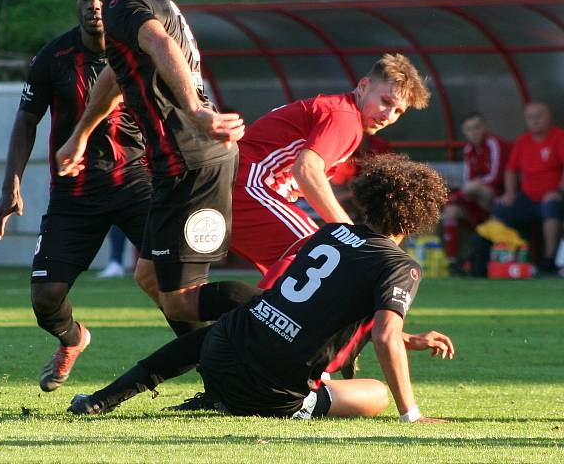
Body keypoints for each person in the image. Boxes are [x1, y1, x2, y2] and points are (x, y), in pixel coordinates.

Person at [68, 154, 453, 423]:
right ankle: (247, 401)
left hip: (221, 357)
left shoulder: (332, 233)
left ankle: (104, 399)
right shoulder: (400, 266)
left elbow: (324, 309)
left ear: (367, 201)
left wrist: (409, 338)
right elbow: (382, 335)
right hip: (268, 394)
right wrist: (412, 414)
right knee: (374, 396)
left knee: (238, 319)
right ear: (420, 218)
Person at [57, 0, 256, 326]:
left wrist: (198, 112)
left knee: (183, 299)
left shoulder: (124, 4)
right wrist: (80, 134)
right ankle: (218, 372)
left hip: (191, 160)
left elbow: (160, 43)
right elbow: (116, 74)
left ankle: (297, 318)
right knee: (149, 278)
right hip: (180, 162)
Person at [0, 0, 153, 392]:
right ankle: (73, 339)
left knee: (174, 284)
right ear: (76, 4)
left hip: (135, 182)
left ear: (113, 6)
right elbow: (26, 121)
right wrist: (11, 185)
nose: (94, 5)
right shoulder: (53, 58)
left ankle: (214, 370)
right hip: (74, 192)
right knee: (45, 297)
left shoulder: (139, 51)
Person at [228, 54, 430, 290]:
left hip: (238, 187)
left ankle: (250, 319)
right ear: (364, 86)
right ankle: (253, 322)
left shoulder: (342, 114)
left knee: (183, 296)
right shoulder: (346, 119)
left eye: (398, 112)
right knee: (321, 254)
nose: (388, 116)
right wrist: (348, 231)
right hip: (248, 186)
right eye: (386, 101)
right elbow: (306, 169)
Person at [493, 102, 564, 275]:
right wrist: (509, 193)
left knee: (551, 206)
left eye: (539, 116)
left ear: (549, 118)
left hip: (552, 198)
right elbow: (510, 170)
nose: (535, 120)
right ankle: (511, 255)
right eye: (530, 117)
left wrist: (559, 191)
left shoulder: (559, 137)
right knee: (501, 208)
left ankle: (549, 260)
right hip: (527, 198)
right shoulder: (523, 141)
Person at [442, 112, 509, 273]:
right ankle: (453, 261)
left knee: (472, 189)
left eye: (477, 127)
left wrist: (475, 185)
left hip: (497, 196)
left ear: (484, 127)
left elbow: (496, 176)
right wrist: (471, 187)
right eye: (469, 129)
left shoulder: (493, 143)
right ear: (464, 132)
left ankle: (489, 229)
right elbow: (468, 178)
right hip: (475, 197)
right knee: (450, 211)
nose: (474, 132)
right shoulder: (468, 149)